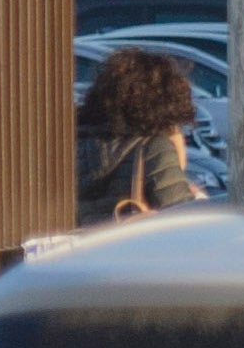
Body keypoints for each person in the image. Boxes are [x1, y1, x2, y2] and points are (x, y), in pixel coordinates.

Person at [76, 51, 205, 223]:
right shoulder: (153, 147)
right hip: (132, 247)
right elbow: (182, 219)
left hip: (79, 247)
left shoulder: (73, 143)